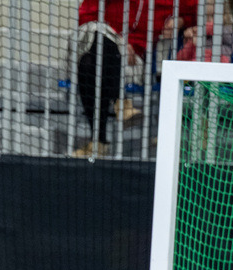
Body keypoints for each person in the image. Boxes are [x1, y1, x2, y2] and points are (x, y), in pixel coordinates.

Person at [72, 0, 198, 158]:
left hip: (134, 62)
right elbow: (85, 16)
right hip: (95, 47)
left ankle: (99, 141)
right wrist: (119, 42)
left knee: (89, 65)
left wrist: (182, 21)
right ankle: (121, 102)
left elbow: (198, 12)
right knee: (94, 55)